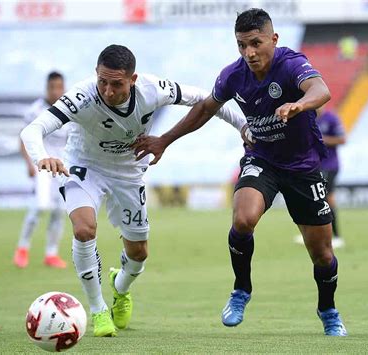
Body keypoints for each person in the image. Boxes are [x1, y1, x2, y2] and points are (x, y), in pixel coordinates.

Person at [133, 8, 347, 336]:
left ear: (273, 39)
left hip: (303, 167)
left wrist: (300, 104)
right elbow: (205, 108)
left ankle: (328, 309)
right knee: (243, 219)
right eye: (241, 45)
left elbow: (321, 90)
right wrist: (164, 140)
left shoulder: (290, 64)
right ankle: (241, 291)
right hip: (262, 158)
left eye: (255, 43)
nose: (249, 52)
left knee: (322, 254)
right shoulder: (233, 75)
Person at [20, 44, 251, 337]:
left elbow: (208, 100)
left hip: (129, 172)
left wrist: (243, 125)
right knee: (84, 230)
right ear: (96, 75)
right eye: (102, 81)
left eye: (116, 84)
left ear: (132, 79)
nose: (107, 91)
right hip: (84, 166)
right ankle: (98, 309)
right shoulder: (81, 97)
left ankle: (120, 288)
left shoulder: (153, 89)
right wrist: (43, 157)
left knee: (139, 253)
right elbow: (32, 130)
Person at [14, 71, 69, 269]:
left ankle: (51, 254)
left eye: (59, 87)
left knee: (59, 210)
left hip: (63, 167)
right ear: (47, 88)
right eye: (52, 87)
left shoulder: (70, 109)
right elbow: (24, 138)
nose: (56, 91)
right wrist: (29, 163)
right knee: (39, 206)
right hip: (42, 164)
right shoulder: (36, 110)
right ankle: (23, 248)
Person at [295, 105, 346, 248]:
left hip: (329, 165)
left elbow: (342, 139)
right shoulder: (306, 118)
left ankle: (336, 236)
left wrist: (320, 139)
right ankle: (311, 233)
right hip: (312, 165)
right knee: (310, 198)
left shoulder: (331, 118)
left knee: (327, 198)